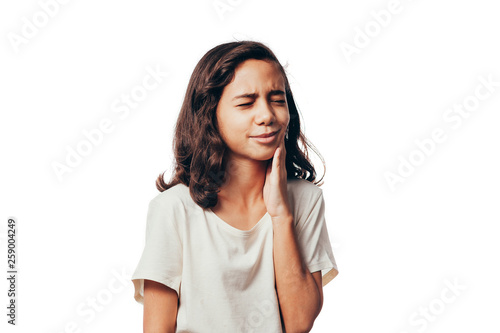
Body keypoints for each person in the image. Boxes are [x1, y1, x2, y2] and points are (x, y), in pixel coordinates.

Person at [131, 40, 339, 333]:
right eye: (246, 102)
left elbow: (299, 322)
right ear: (210, 114)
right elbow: (157, 328)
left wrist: (281, 216)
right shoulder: (173, 209)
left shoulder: (306, 200)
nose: (267, 115)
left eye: (277, 100)